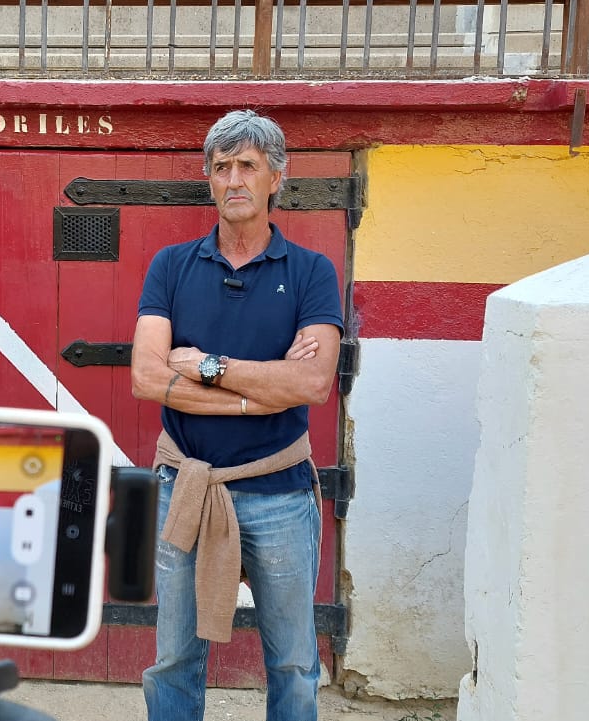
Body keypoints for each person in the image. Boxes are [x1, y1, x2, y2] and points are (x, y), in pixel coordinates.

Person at [130, 109, 344, 721]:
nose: (234, 180)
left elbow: (313, 381)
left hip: (279, 493)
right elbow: (148, 376)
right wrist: (262, 391)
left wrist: (205, 366)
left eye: (248, 165)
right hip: (187, 489)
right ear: (209, 180)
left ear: (277, 176)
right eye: (221, 168)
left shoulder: (310, 272)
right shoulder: (171, 266)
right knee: (173, 658)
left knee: (294, 664)